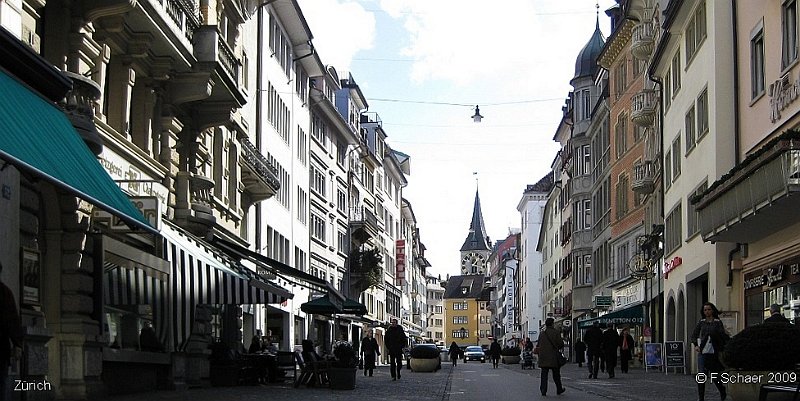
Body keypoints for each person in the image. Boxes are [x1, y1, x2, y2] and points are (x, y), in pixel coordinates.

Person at [691, 302, 728, 401]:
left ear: (712, 310)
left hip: (713, 352)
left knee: (714, 375)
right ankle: (701, 398)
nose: (707, 312)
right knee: (701, 375)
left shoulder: (717, 322)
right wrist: (696, 345)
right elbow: (694, 335)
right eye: (705, 310)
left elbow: (722, 335)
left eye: (709, 309)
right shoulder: (701, 322)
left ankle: (722, 390)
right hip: (703, 351)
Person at [0, 262, 23, 401]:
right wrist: (17, 344)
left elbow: (12, 321)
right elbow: (12, 321)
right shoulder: (5, 293)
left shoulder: (5, 293)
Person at [536, 318, 566, 396]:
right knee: (556, 375)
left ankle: (543, 390)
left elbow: (538, 344)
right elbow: (560, 344)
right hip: (553, 357)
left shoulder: (542, 334)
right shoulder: (556, 332)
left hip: (543, 357)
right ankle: (559, 389)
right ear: (552, 324)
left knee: (544, 375)